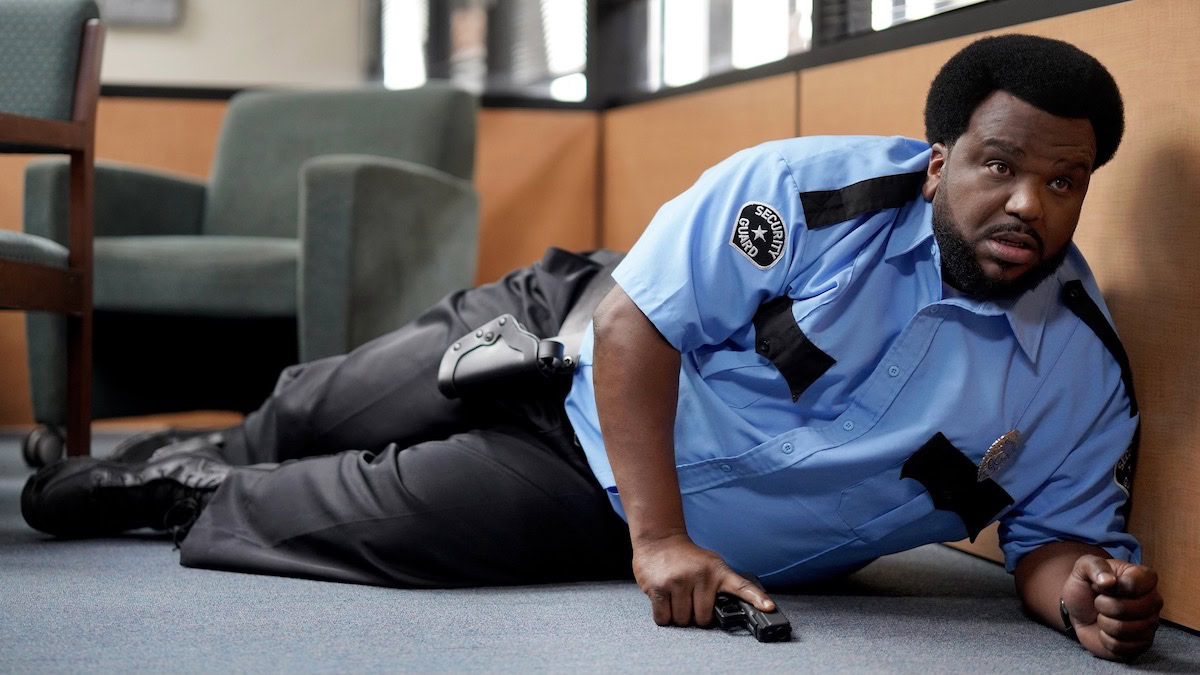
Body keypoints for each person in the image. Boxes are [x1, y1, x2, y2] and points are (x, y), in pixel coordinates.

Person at [21, 34, 1162, 661]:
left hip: (602, 479)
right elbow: (636, 325)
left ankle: (177, 489)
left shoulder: (1078, 371)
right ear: (936, 158)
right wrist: (665, 546)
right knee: (317, 408)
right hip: (560, 332)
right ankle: (227, 436)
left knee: (364, 517)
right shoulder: (806, 192)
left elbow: (1053, 546)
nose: (1027, 204)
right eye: (998, 165)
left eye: (1063, 182)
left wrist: (1085, 602)